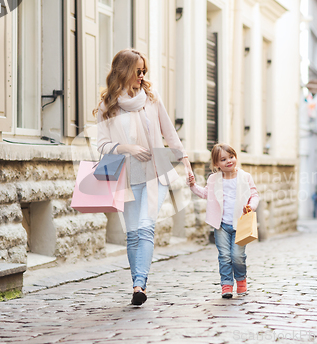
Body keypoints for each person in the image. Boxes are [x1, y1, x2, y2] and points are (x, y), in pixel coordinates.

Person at [96, 49, 192, 306]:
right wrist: (127, 148)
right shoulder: (108, 106)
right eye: (137, 71)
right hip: (126, 174)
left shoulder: (151, 98)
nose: (141, 75)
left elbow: (170, 135)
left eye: (144, 71)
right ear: (124, 71)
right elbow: (102, 145)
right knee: (133, 234)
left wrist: (187, 164)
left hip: (156, 170)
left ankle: (140, 284)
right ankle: (136, 283)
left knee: (146, 228)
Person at [188, 143, 259, 298]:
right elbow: (206, 194)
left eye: (231, 157)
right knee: (224, 256)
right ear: (216, 164)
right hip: (221, 225)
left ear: (235, 157)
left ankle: (241, 280)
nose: (229, 161)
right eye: (223, 159)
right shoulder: (214, 179)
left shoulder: (245, 177)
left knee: (237, 256)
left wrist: (251, 206)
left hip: (241, 224)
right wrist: (193, 186)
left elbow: (254, 195)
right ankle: (226, 285)